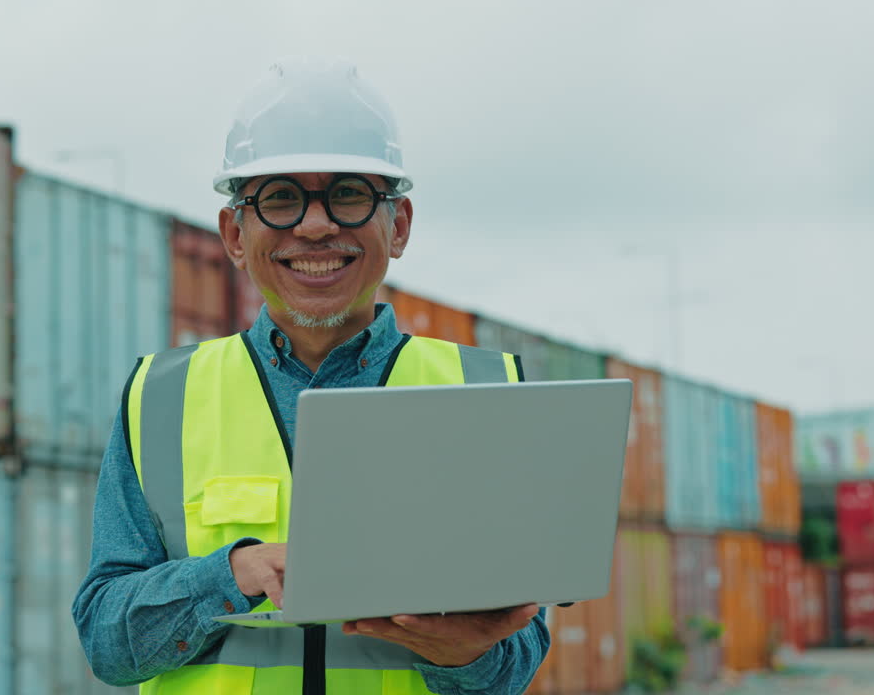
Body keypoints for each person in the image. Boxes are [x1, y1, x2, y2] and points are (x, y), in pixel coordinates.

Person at [72, 59, 550, 695]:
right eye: (280, 197)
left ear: (399, 226)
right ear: (234, 235)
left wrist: (463, 655)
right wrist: (231, 574)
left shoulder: (489, 396)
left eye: (349, 194)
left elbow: (515, 664)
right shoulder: (159, 399)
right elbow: (106, 642)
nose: (316, 224)